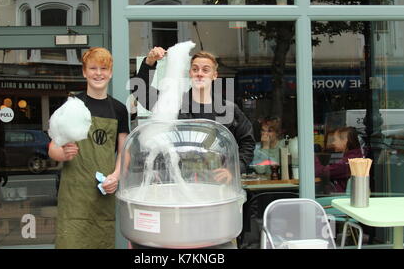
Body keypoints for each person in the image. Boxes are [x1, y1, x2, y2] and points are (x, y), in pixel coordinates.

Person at [48, 47, 129, 249]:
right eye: (93, 68)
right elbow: (52, 149)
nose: (98, 73)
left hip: (103, 194)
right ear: (84, 72)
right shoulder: (72, 105)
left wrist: (116, 176)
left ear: (110, 72)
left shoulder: (119, 109)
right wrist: (64, 154)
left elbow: (124, 150)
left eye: (104, 68)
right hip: (74, 195)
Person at [132, 46, 255, 175]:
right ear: (190, 73)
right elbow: (140, 91)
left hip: (217, 185)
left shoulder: (228, 109)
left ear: (214, 75)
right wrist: (149, 62)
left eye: (205, 70)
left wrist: (234, 169)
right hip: (180, 182)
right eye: (195, 69)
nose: (199, 73)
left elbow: (247, 141)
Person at [315, 126, 363, 193]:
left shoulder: (348, 161)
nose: (333, 143)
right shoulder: (354, 156)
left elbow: (322, 172)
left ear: (345, 140)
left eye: (335, 140)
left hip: (340, 198)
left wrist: (313, 157)